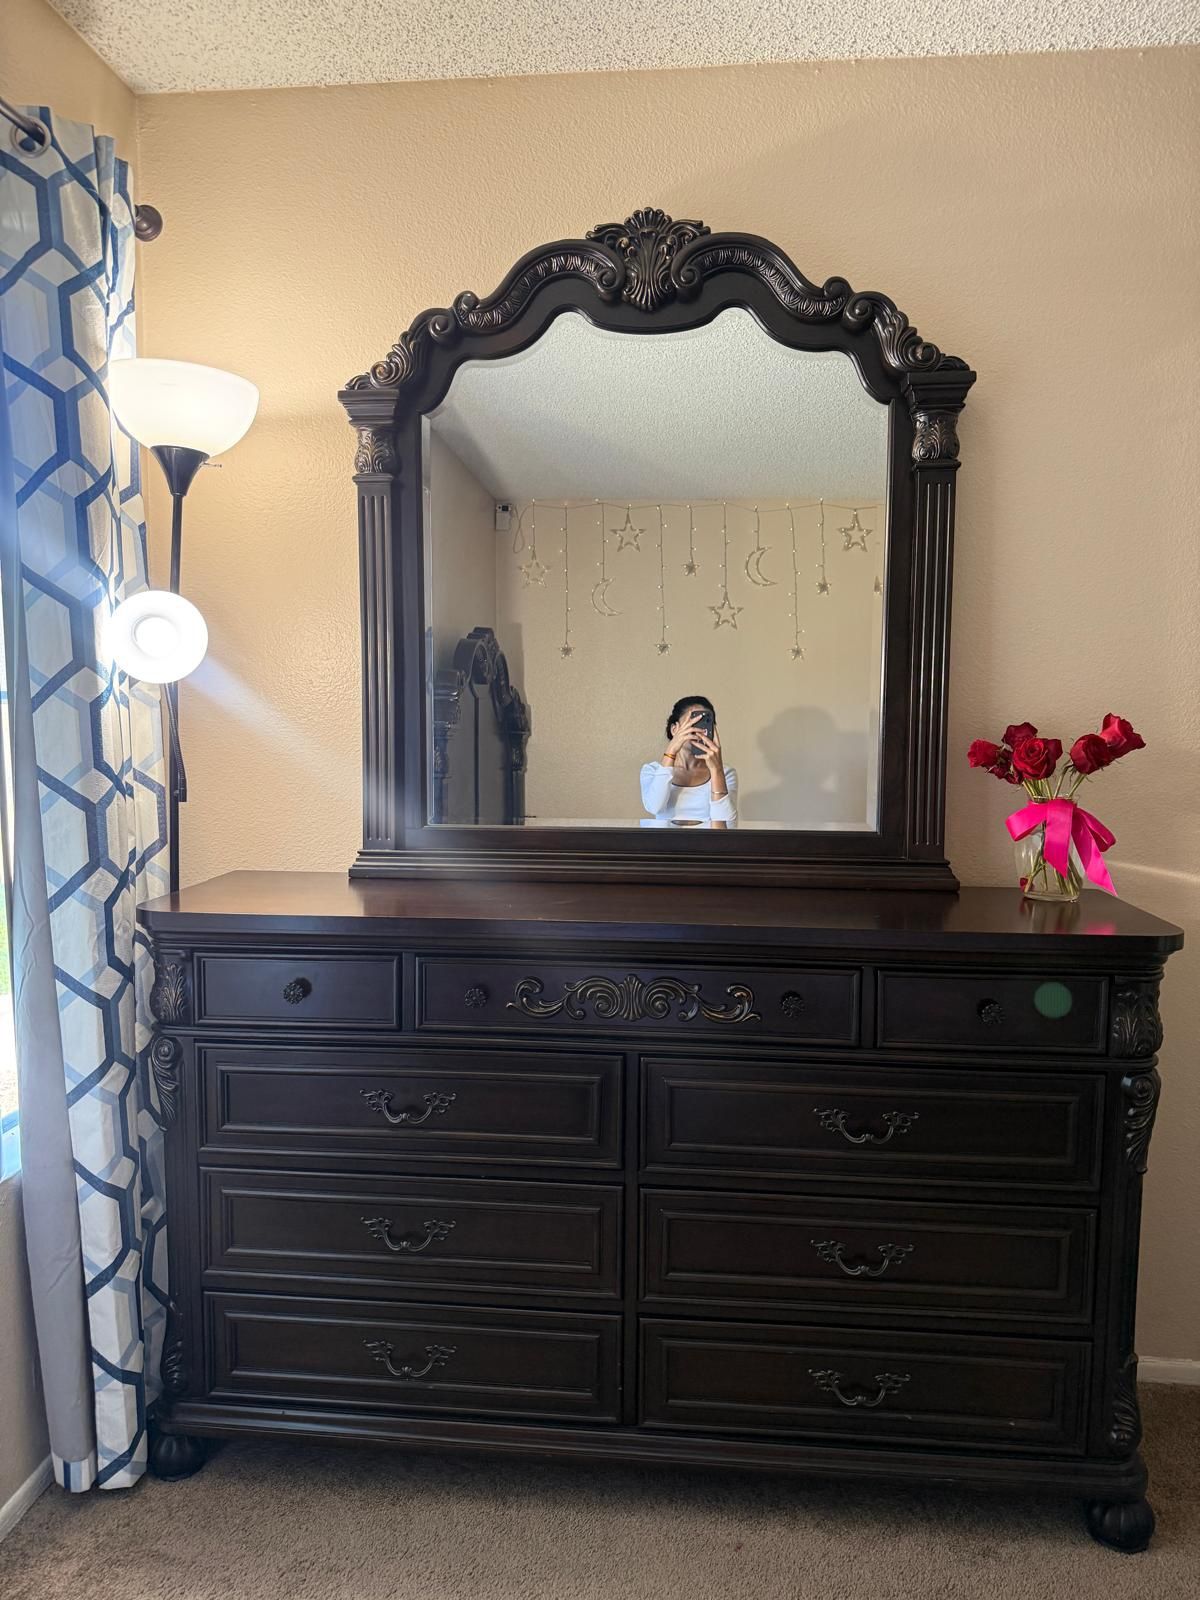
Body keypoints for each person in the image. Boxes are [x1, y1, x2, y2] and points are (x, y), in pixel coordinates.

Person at [640, 696, 738, 826]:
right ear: (674, 729)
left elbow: (725, 827)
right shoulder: (652, 771)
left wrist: (716, 770)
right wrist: (671, 751)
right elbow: (654, 807)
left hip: (709, 844)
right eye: (692, 724)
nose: (697, 731)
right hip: (664, 843)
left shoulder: (725, 773)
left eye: (704, 724)